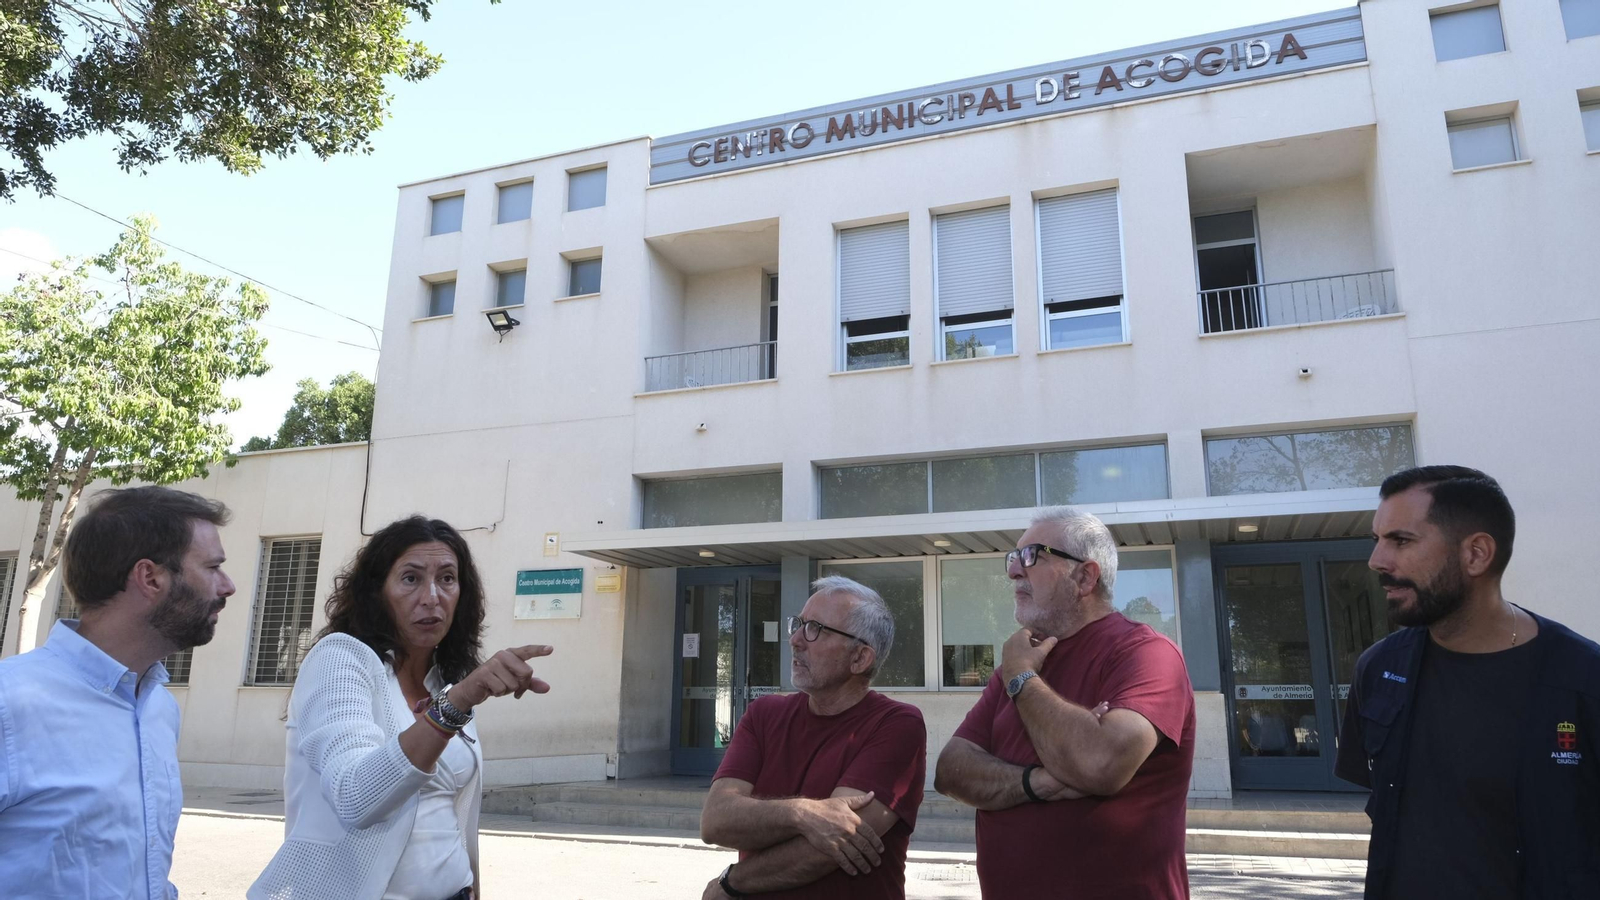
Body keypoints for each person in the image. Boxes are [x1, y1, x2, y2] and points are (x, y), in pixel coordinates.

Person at [249, 516, 553, 900]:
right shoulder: (341, 660)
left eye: (447, 578)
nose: (431, 597)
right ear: (377, 592)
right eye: (410, 578)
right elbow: (356, 797)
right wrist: (456, 703)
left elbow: (444, 814)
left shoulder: (442, 682)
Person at [1336, 465, 1600, 898]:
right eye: (1377, 540)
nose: (1376, 561)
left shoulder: (1583, 680)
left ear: (1476, 553)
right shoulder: (1380, 670)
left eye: (1401, 540)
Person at [935, 506, 1196, 899]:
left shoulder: (1146, 654)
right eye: (1013, 558)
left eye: (1031, 556)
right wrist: (1037, 781)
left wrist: (1024, 681)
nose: (1013, 571)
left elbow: (1098, 763)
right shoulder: (1018, 660)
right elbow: (951, 770)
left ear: (1085, 576)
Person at [0, 486, 236, 900]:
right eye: (213, 567)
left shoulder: (158, 708)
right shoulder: (10, 703)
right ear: (150, 577)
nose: (228, 586)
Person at [699, 576, 927, 900]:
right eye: (799, 624)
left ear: (860, 658)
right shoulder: (764, 714)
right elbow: (716, 820)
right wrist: (804, 814)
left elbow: (831, 849)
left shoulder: (897, 724)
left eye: (815, 629)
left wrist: (731, 882)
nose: (795, 639)